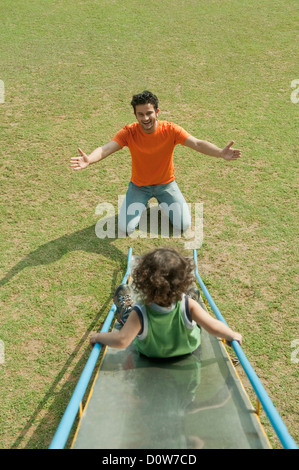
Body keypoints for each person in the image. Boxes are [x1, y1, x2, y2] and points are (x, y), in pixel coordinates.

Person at [70, 91, 241, 235]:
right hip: (139, 187)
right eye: (141, 114)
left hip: (166, 185)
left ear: (157, 112)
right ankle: (143, 203)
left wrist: (220, 152)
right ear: (135, 115)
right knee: (125, 228)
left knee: (184, 225)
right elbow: (106, 148)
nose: (145, 118)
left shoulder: (171, 130)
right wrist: (89, 159)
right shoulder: (129, 132)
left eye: (149, 113)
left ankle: (163, 201)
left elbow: (196, 143)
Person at [90, 248, 242, 358]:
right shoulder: (187, 304)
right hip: (187, 349)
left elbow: (122, 340)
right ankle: (193, 314)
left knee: (133, 315)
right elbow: (213, 326)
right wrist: (231, 334)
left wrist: (98, 337)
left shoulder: (140, 311)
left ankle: (125, 310)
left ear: (143, 282)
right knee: (194, 312)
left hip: (150, 353)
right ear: (183, 282)